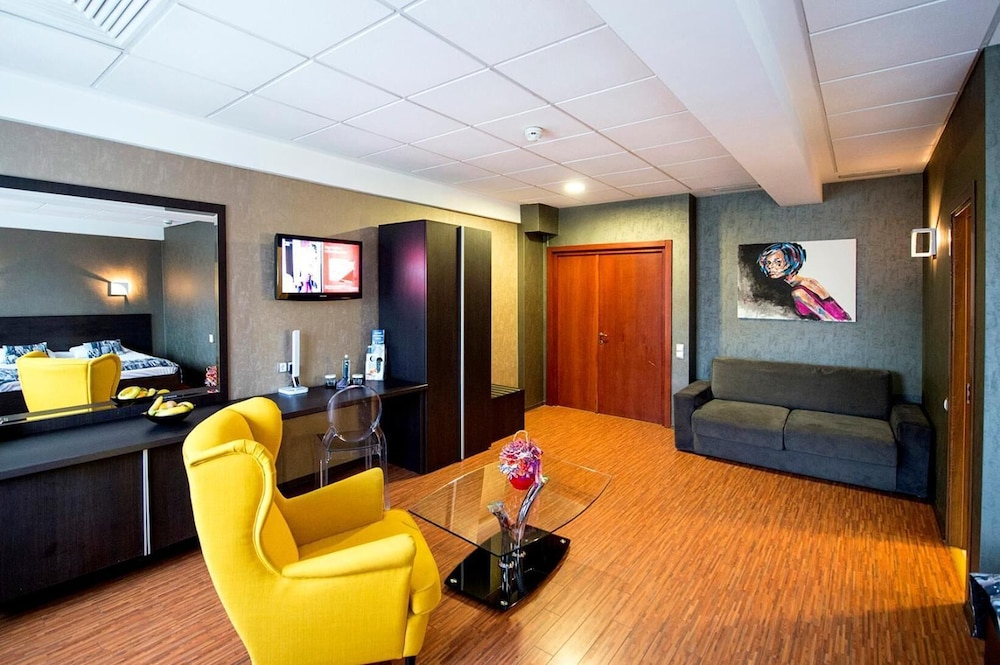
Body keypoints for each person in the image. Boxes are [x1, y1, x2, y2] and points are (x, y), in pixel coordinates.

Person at [756, 242, 851, 321]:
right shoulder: (809, 281)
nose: (770, 267)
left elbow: (829, 319)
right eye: (768, 263)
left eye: (778, 262)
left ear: (791, 262)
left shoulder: (798, 293)